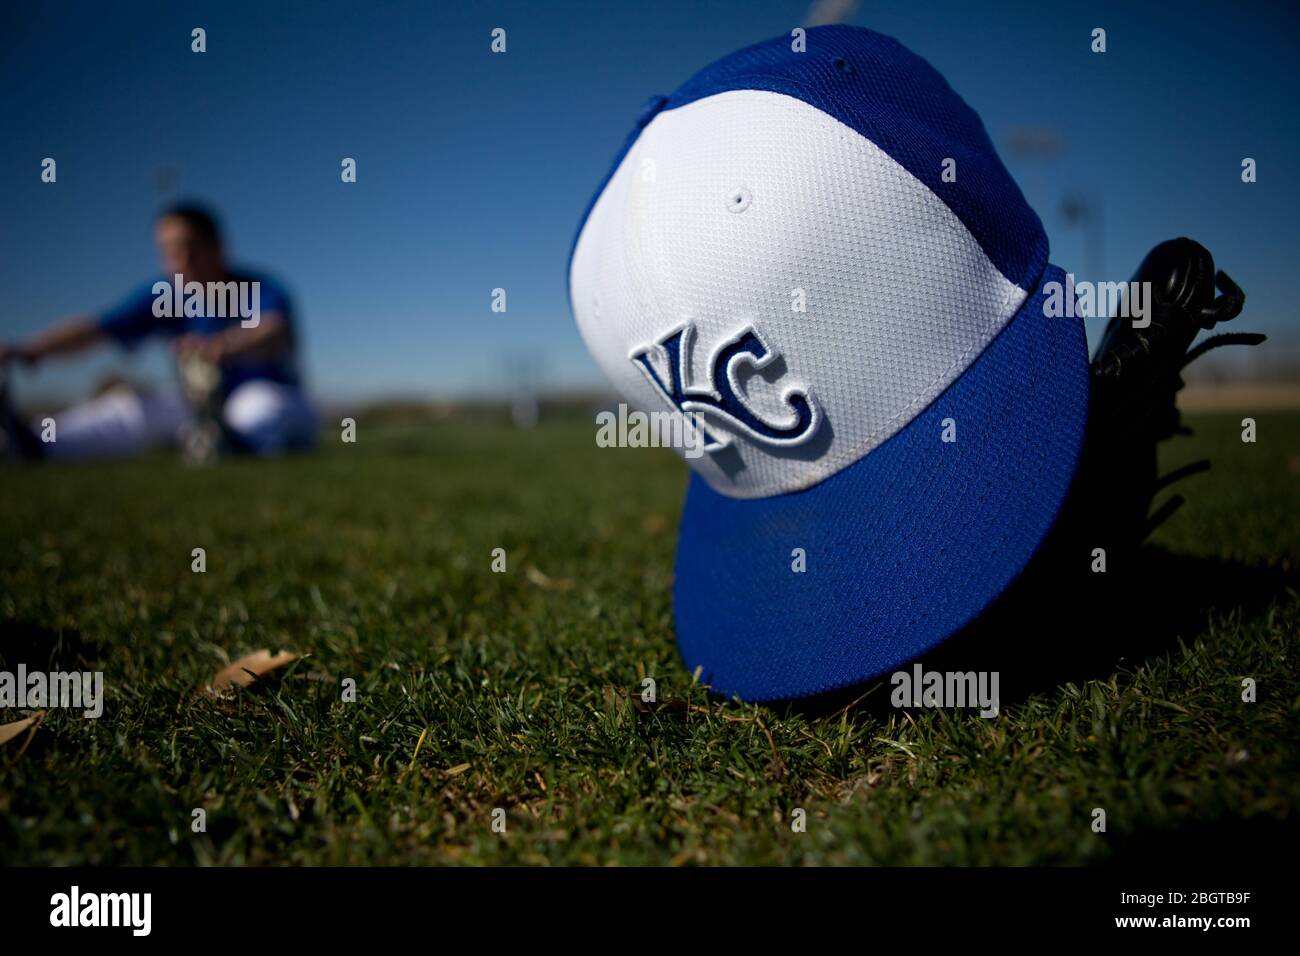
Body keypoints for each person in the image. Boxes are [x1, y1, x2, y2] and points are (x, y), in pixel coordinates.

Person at [0, 203, 317, 461]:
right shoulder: (166, 294)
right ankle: (35, 445)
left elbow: (273, 330)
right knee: (133, 409)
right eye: (169, 250)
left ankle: (234, 446)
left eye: (190, 247)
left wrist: (223, 345)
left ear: (218, 246)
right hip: (199, 404)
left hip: (272, 395)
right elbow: (96, 329)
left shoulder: (259, 288)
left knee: (255, 410)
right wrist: (29, 350)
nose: (182, 261)